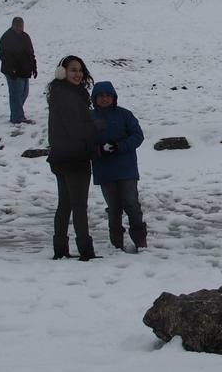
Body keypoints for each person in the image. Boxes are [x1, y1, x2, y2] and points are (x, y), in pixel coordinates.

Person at [46, 55, 98, 260]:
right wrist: (96, 126)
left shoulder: (61, 93)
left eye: (79, 70)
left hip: (61, 157)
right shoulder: (69, 96)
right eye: (73, 70)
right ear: (63, 72)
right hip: (74, 158)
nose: (77, 74)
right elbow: (76, 129)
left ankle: (60, 249)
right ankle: (85, 251)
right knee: (78, 206)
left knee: (65, 205)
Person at [90, 81, 147, 251]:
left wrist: (120, 146)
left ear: (114, 97)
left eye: (108, 95)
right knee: (114, 209)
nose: (105, 99)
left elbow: (138, 136)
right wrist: (99, 150)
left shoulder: (125, 115)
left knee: (132, 205)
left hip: (126, 169)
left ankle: (140, 240)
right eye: (101, 96)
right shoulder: (89, 118)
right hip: (104, 171)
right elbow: (84, 143)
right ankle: (116, 243)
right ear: (95, 99)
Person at [0, 17, 38, 124]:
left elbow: (31, 54)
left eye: (21, 26)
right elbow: (4, 56)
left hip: (25, 70)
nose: (19, 28)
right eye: (17, 26)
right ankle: (17, 117)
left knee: (24, 93)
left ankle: (17, 112)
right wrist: (11, 69)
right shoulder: (6, 37)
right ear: (12, 25)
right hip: (13, 72)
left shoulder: (25, 37)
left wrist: (34, 68)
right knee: (16, 94)